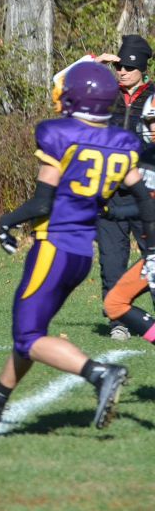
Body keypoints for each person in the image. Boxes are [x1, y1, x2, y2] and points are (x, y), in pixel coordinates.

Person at [0, 60, 155, 429]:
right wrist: (152, 247)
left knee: (28, 336)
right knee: (32, 331)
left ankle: (99, 374)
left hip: (53, 247)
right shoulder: (121, 144)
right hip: (80, 254)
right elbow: (143, 199)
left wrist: (6, 221)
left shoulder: (61, 136)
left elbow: (42, 203)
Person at [94, 35, 154, 339]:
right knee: (111, 261)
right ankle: (118, 321)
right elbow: (61, 85)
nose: (123, 72)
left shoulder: (153, 98)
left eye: (130, 67)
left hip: (146, 193)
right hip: (108, 193)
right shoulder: (104, 93)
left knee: (152, 259)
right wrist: (93, 64)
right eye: (119, 66)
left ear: (143, 69)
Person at [104, 99, 155, 339]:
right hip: (153, 254)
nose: (154, 128)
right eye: (151, 121)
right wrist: (110, 212)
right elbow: (145, 207)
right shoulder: (145, 158)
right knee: (114, 303)